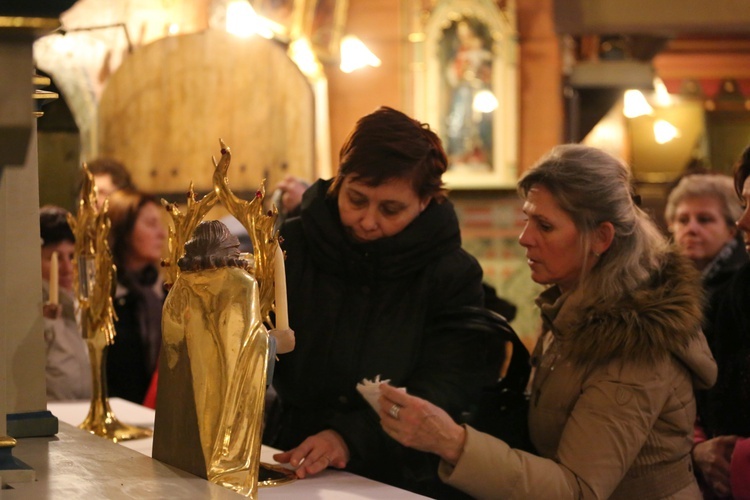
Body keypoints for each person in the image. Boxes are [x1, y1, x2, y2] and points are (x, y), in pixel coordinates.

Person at [376, 144, 718, 499]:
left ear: (601, 238)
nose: (525, 239)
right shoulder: (573, 305)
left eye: (545, 225)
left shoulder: (633, 343)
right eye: (527, 219)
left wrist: (451, 442)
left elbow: (578, 489)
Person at [267, 106, 505, 497]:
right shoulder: (293, 246)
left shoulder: (451, 273)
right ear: (339, 181)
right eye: (356, 199)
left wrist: (347, 437)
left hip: (400, 470)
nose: (368, 220)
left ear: (426, 201)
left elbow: (448, 384)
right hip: (292, 452)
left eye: (391, 209)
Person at [692, 145, 750, 499]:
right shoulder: (732, 299)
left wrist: (742, 459)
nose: (743, 221)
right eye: (744, 204)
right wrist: (698, 448)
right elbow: (689, 401)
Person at [105, 188, 168, 404]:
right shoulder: (105, 297)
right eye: (151, 224)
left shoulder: (164, 293)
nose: (162, 234)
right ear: (123, 229)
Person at [664, 173, 747, 302]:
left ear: (731, 230)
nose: (691, 229)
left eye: (704, 220)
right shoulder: (657, 279)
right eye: (683, 220)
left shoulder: (742, 284)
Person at [40, 205, 92, 401]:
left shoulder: (79, 305)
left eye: (71, 256)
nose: (67, 268)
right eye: (54, 258)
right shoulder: (29, 312)